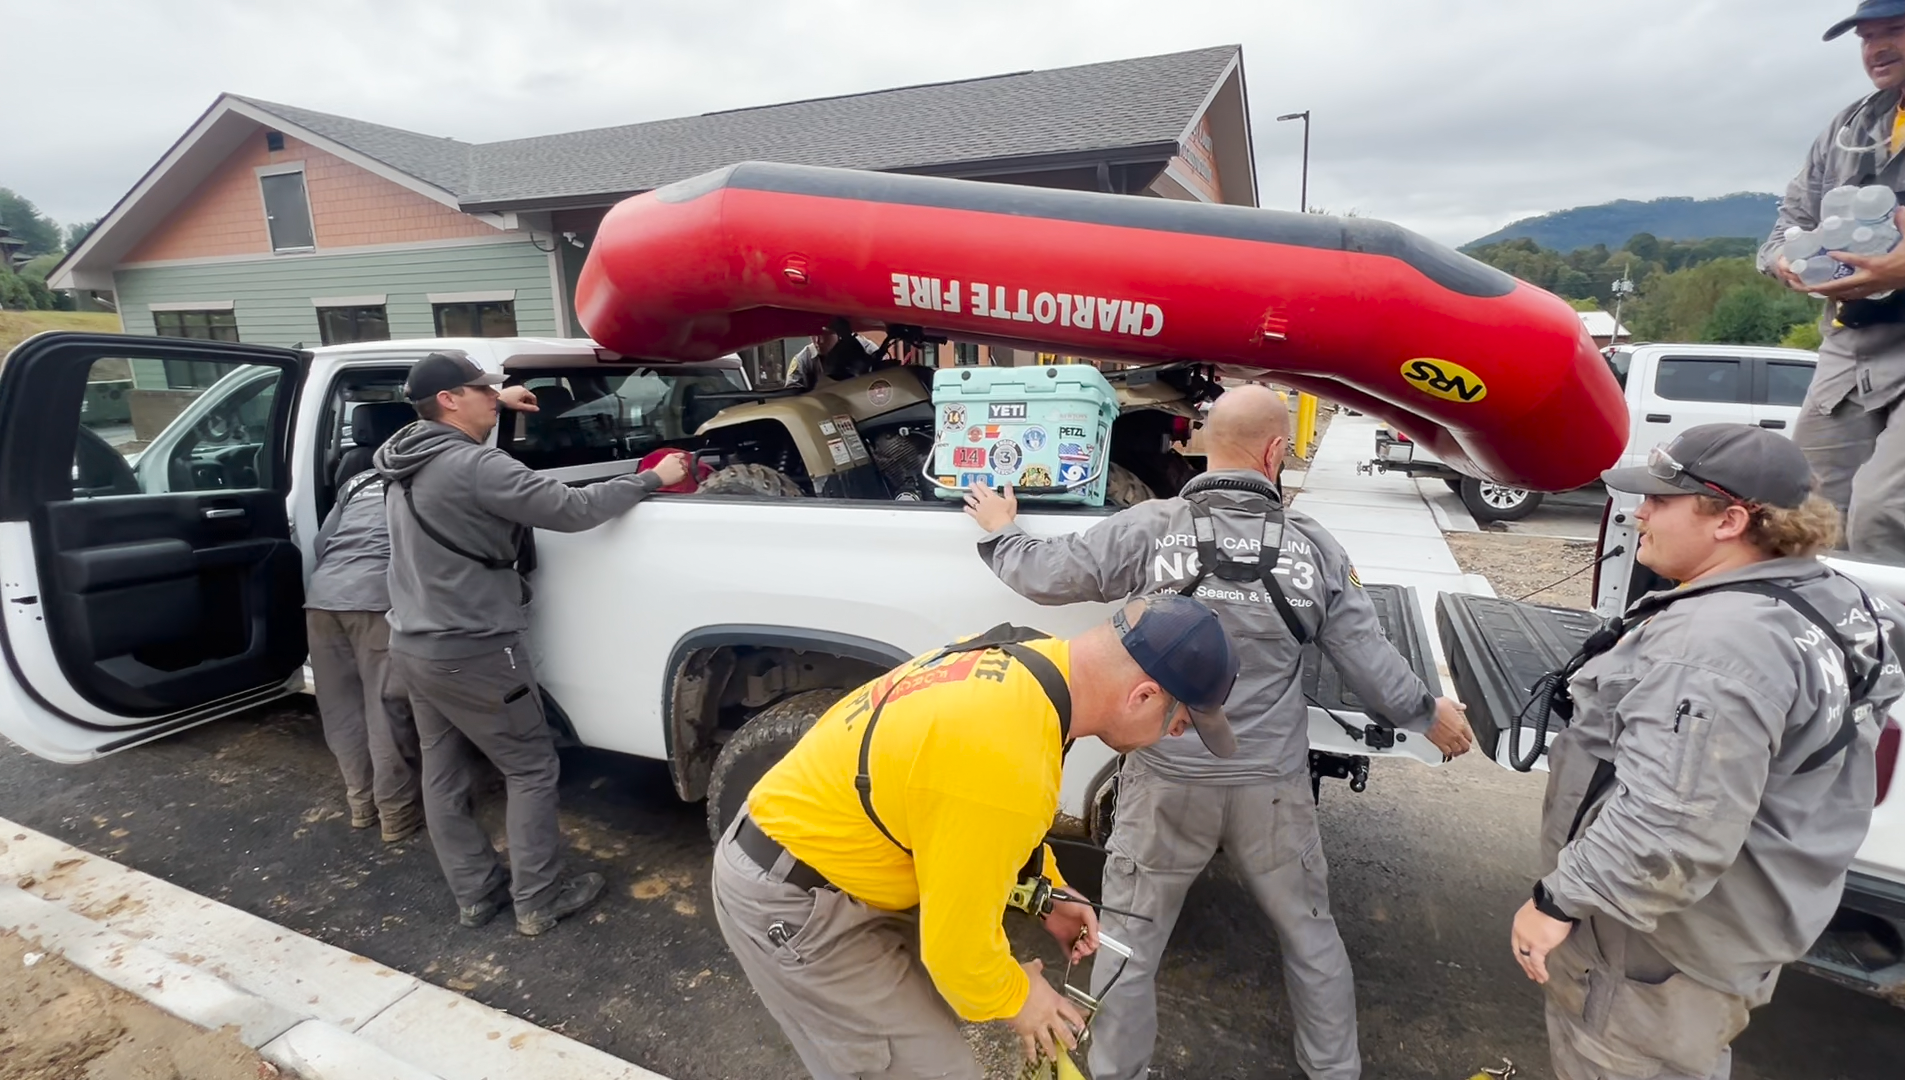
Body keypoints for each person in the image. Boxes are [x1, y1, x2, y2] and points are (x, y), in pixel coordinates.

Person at [964, 384, 1473, 1080]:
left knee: (1127, 944)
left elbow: (1049, 574)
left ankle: (1117, 1073)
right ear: (1274, 452)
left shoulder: (1150, 528)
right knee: (1310, 937)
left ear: (1207, 445)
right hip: (1271, 791)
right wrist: (1429, 713)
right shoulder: (1315, 549)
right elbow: (1372, 668)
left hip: (1167, 784)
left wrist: (1001, 529)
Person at [1510, 423, 1905, 1080]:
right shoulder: (1853, 604)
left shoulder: (1715, 650)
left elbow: (1672, 825)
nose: (1639, 512)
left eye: (1661, 501)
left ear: (1730, 519)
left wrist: (1557, 902)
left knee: (1619, 1058)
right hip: (1756, 913)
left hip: (1656, 945)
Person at [712, 595, 1241, 1080]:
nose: (1174, 738)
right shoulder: (1004, 755)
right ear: (1143, 695)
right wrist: (1022, 998)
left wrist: (1047, 891)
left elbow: (983, 824)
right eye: (1179, 725)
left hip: (842, 863)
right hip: (790, 897)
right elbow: (958, 957)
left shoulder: (1034, 662)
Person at [374, 351, 692, 936]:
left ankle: (476, 895)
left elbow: (471, 478)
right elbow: (571, 509)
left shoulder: (405, 454)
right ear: (449, 400)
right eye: (483, 390)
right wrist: (654, 478)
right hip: (477, 648)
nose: (495, 397)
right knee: (530, 769)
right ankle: (539, 900)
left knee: (443, 775)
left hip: (414, 645)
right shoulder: (474, 466)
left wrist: (503, 411)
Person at [1761, 1, 1905, 559]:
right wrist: (1785, 260)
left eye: (1895, 30)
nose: (1876, 47)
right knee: (1801, 514)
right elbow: (1789, 223)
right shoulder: (1850, 126)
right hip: (1850, 349)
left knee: (1889, 512)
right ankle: (1813, 641)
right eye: (1866, 36)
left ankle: (1898, 645)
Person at [306, 455, 420, 843]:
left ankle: (361, 805)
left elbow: (323, 542)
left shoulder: (359, 481)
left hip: (322, 598)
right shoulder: (432, 474)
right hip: (377, 599)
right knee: (384, 708)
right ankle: (397, 813)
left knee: (340, 708)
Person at [784, 318, 884, 391]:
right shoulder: (804, 359)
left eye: (825, 335)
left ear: (839, 334)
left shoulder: (867, 350)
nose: (819, 341)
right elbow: (791, 393)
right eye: (813, 335)